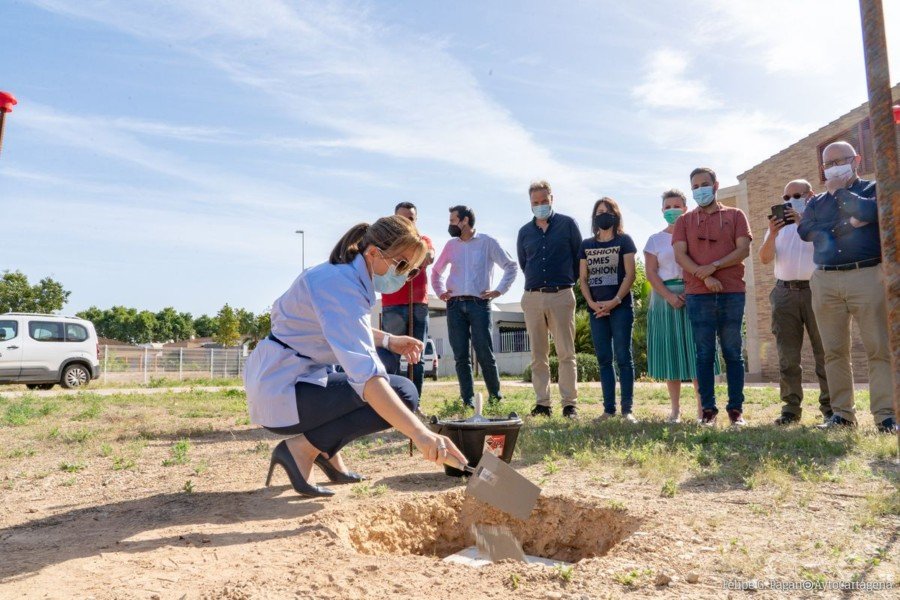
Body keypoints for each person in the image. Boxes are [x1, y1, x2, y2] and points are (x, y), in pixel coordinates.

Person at [243, 216, 467, 497]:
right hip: (281, 387)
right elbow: (367, 377)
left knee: (391, 391)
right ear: (373, 253)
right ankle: (302, 450)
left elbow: (343, 326)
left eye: (410, 271)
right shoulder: (340, 285)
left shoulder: (343, 277)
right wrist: (422, 435)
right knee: (403, 393)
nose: (404, 276)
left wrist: (388, 340)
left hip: (291, 377)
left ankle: (325, 450)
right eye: (401, 265)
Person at [797, 141, 894, 433]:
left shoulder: (874, 189)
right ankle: (842, 415)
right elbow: (805, 230)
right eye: (829, 163)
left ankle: (886, 415)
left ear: (857, 160)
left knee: (879, 348)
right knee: (835, 351)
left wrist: (840, 192)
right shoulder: (815, 202)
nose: (834, 166)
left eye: (841, 160)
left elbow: (871, 212)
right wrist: (848, 224)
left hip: (867, 274)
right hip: (825, 279)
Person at [673, 167, 752, 427]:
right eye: (694, 187)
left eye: (704, 184)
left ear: (716, 185)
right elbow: (680, 255)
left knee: (732, 352)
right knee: (704, 353)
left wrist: (714, 266)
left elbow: (742, 250)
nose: (699, 190)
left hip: (732, 292)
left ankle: (736, 411)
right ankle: (708, 411)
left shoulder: (736, 215)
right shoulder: (684, 221)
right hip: (698, 295)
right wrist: (704, 276)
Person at [758, 179, 831, 425]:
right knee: (787, 355)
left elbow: (827, 247)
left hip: (816, 290)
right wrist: (773, 234)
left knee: (826, 352)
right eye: (785, 197)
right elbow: (765, 259)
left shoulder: (820, 219)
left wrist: (802, 221)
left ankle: (832, 409)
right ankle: (790, 408)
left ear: (810, 195)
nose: (789, 202)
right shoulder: (777, 228)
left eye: (795, 195)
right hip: (784, 293)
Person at [431, 205, 518, 407]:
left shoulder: (487, 242)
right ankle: (467, 400)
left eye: (453, 221)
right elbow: (436, 272)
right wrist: (440, 292)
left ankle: (495, 398)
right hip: (454, 305)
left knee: (484, 352)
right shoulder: (450, 245)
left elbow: (510, 266)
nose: (450, 225)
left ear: (465, 221)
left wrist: (499, 290)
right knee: (461, 355)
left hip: (480, 304)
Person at [644, 189, 717, 423]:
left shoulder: (695, 235)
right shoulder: (654, 240)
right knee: (671, 353)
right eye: (667, 207)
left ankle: (702, 409)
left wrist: (689, 290)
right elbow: (651, 273)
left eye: (676, 206)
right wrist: (668, 296)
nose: (672, 210)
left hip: (694, 294)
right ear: (662, 211)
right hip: (664, 300)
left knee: (696, 353)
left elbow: (702, 264)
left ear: (685, 209)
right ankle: (675, 410)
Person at [516, 180, 582, 419]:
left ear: (552, 199)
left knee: (566, 352)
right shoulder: (525, 232)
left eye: (544, 201)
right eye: (535, 202)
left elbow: (578, 258)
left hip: (562, 295)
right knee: (538, 355)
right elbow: (525, 263)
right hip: (533, 297)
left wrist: (564, 282)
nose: (540, 205)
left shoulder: (567, 225)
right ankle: (543, 404)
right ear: (530, 203)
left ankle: (569, 404)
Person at [579, 197, 637, 422]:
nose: (603, 215)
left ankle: (627, 410)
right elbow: (583, 278)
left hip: (620, 308)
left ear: (615, 215)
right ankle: (608, 409)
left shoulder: (625, 241)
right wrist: (592, 303)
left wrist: (615, 301)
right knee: (604, 359)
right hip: (596, 310)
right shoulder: (586, 245)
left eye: (607, 211)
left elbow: (630, 274)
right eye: (599, 211)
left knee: (623, 357)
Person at [380, 202, 435, 397]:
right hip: (392, 305)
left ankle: (414, 402)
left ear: (416, 220)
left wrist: (420, 254)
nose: (406, 222)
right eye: (402, 218)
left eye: (410, 218)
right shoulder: (385, 242)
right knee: (390, 355)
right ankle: (390, 403)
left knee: (417, 355)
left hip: (418, 304)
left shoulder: (423, 239)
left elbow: (429, 255)